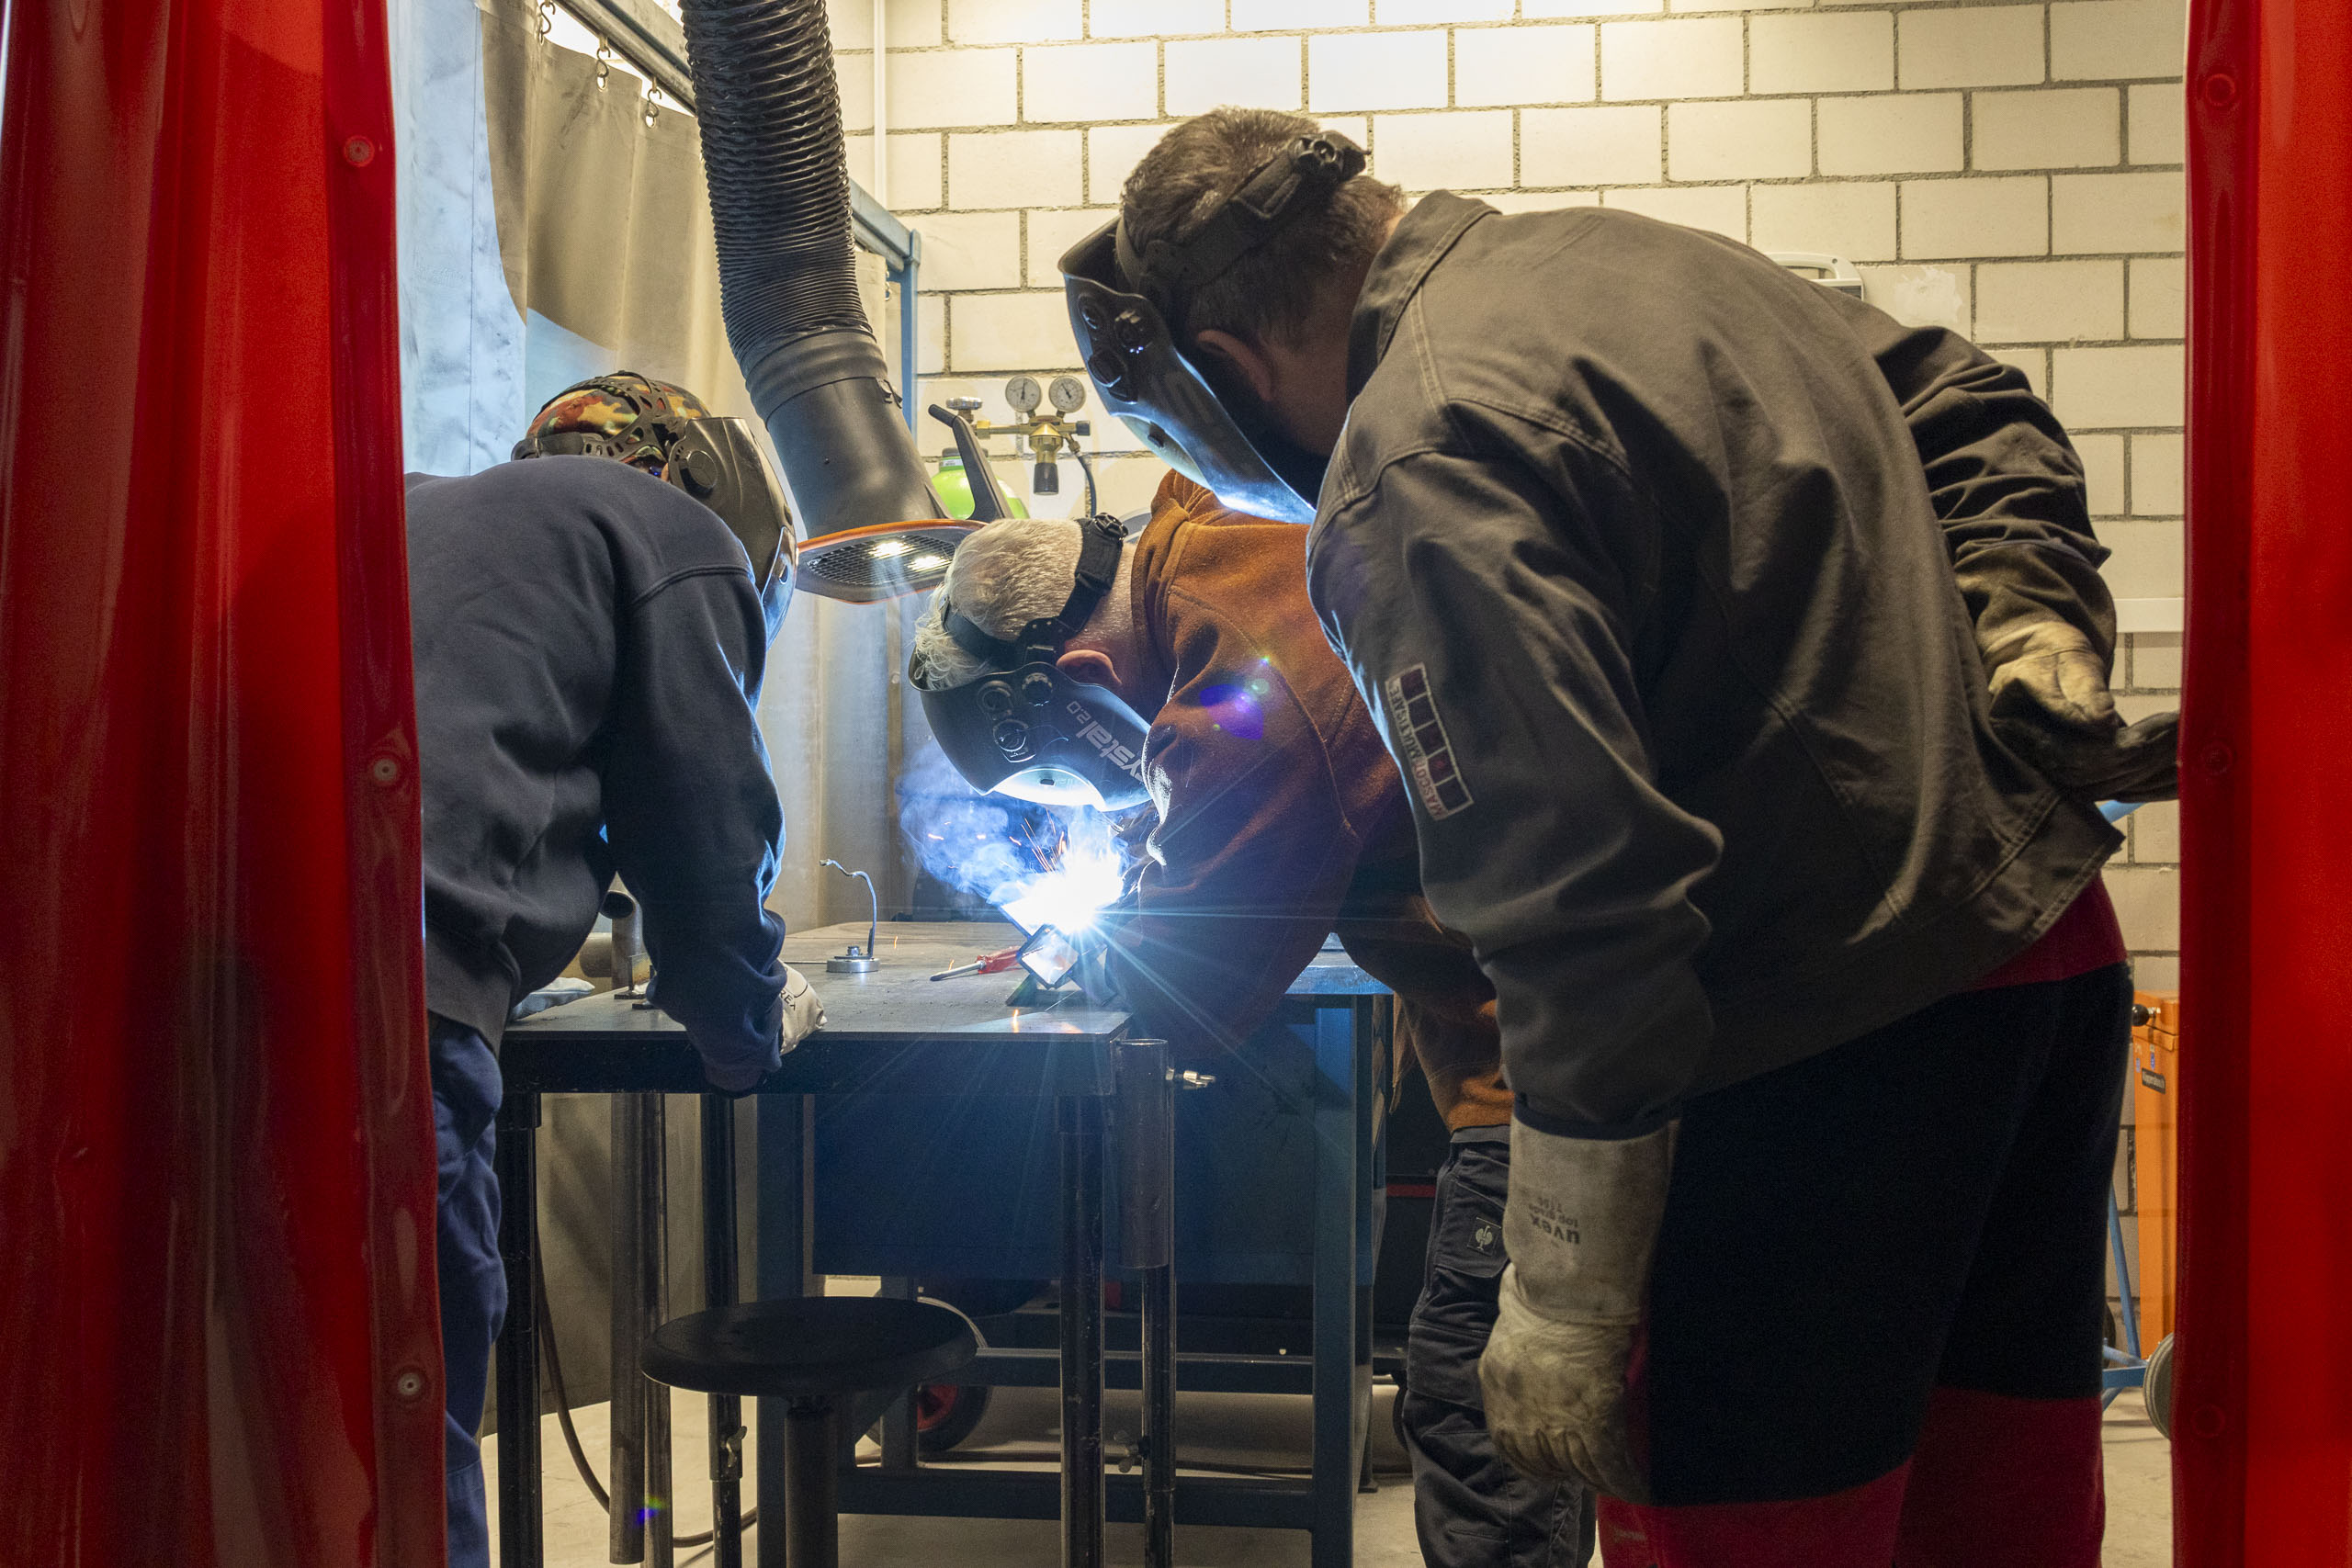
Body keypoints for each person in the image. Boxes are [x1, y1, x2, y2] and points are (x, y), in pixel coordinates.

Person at [1057, 107, 2178, 1567]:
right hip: (2037, 965)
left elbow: (1578, 899)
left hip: (1808, 1063)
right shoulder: (1664, 261)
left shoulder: (1413, 463)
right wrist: (2028, 597)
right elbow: (1968, 396)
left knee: (1753, 1536)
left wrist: (1566, 1293)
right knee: (1994, 1517)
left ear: (1234, 360)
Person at [910, 474, 1596, 1565]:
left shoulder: (1247, 659)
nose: (1101, 800)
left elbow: (1191, 984)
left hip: (1565, 1066)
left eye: (1068, 782)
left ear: (1081, 680)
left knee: (1481, 1414)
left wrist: (1086, 948)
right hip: (1575, 1032)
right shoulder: (1233, 551)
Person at [407, 373, 822, 1566]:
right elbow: (702, 830)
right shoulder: (675, 536)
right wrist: (745, 1027)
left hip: (185, 999)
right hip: (390, 1021)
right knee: (413, 1395)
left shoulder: (413, 505)